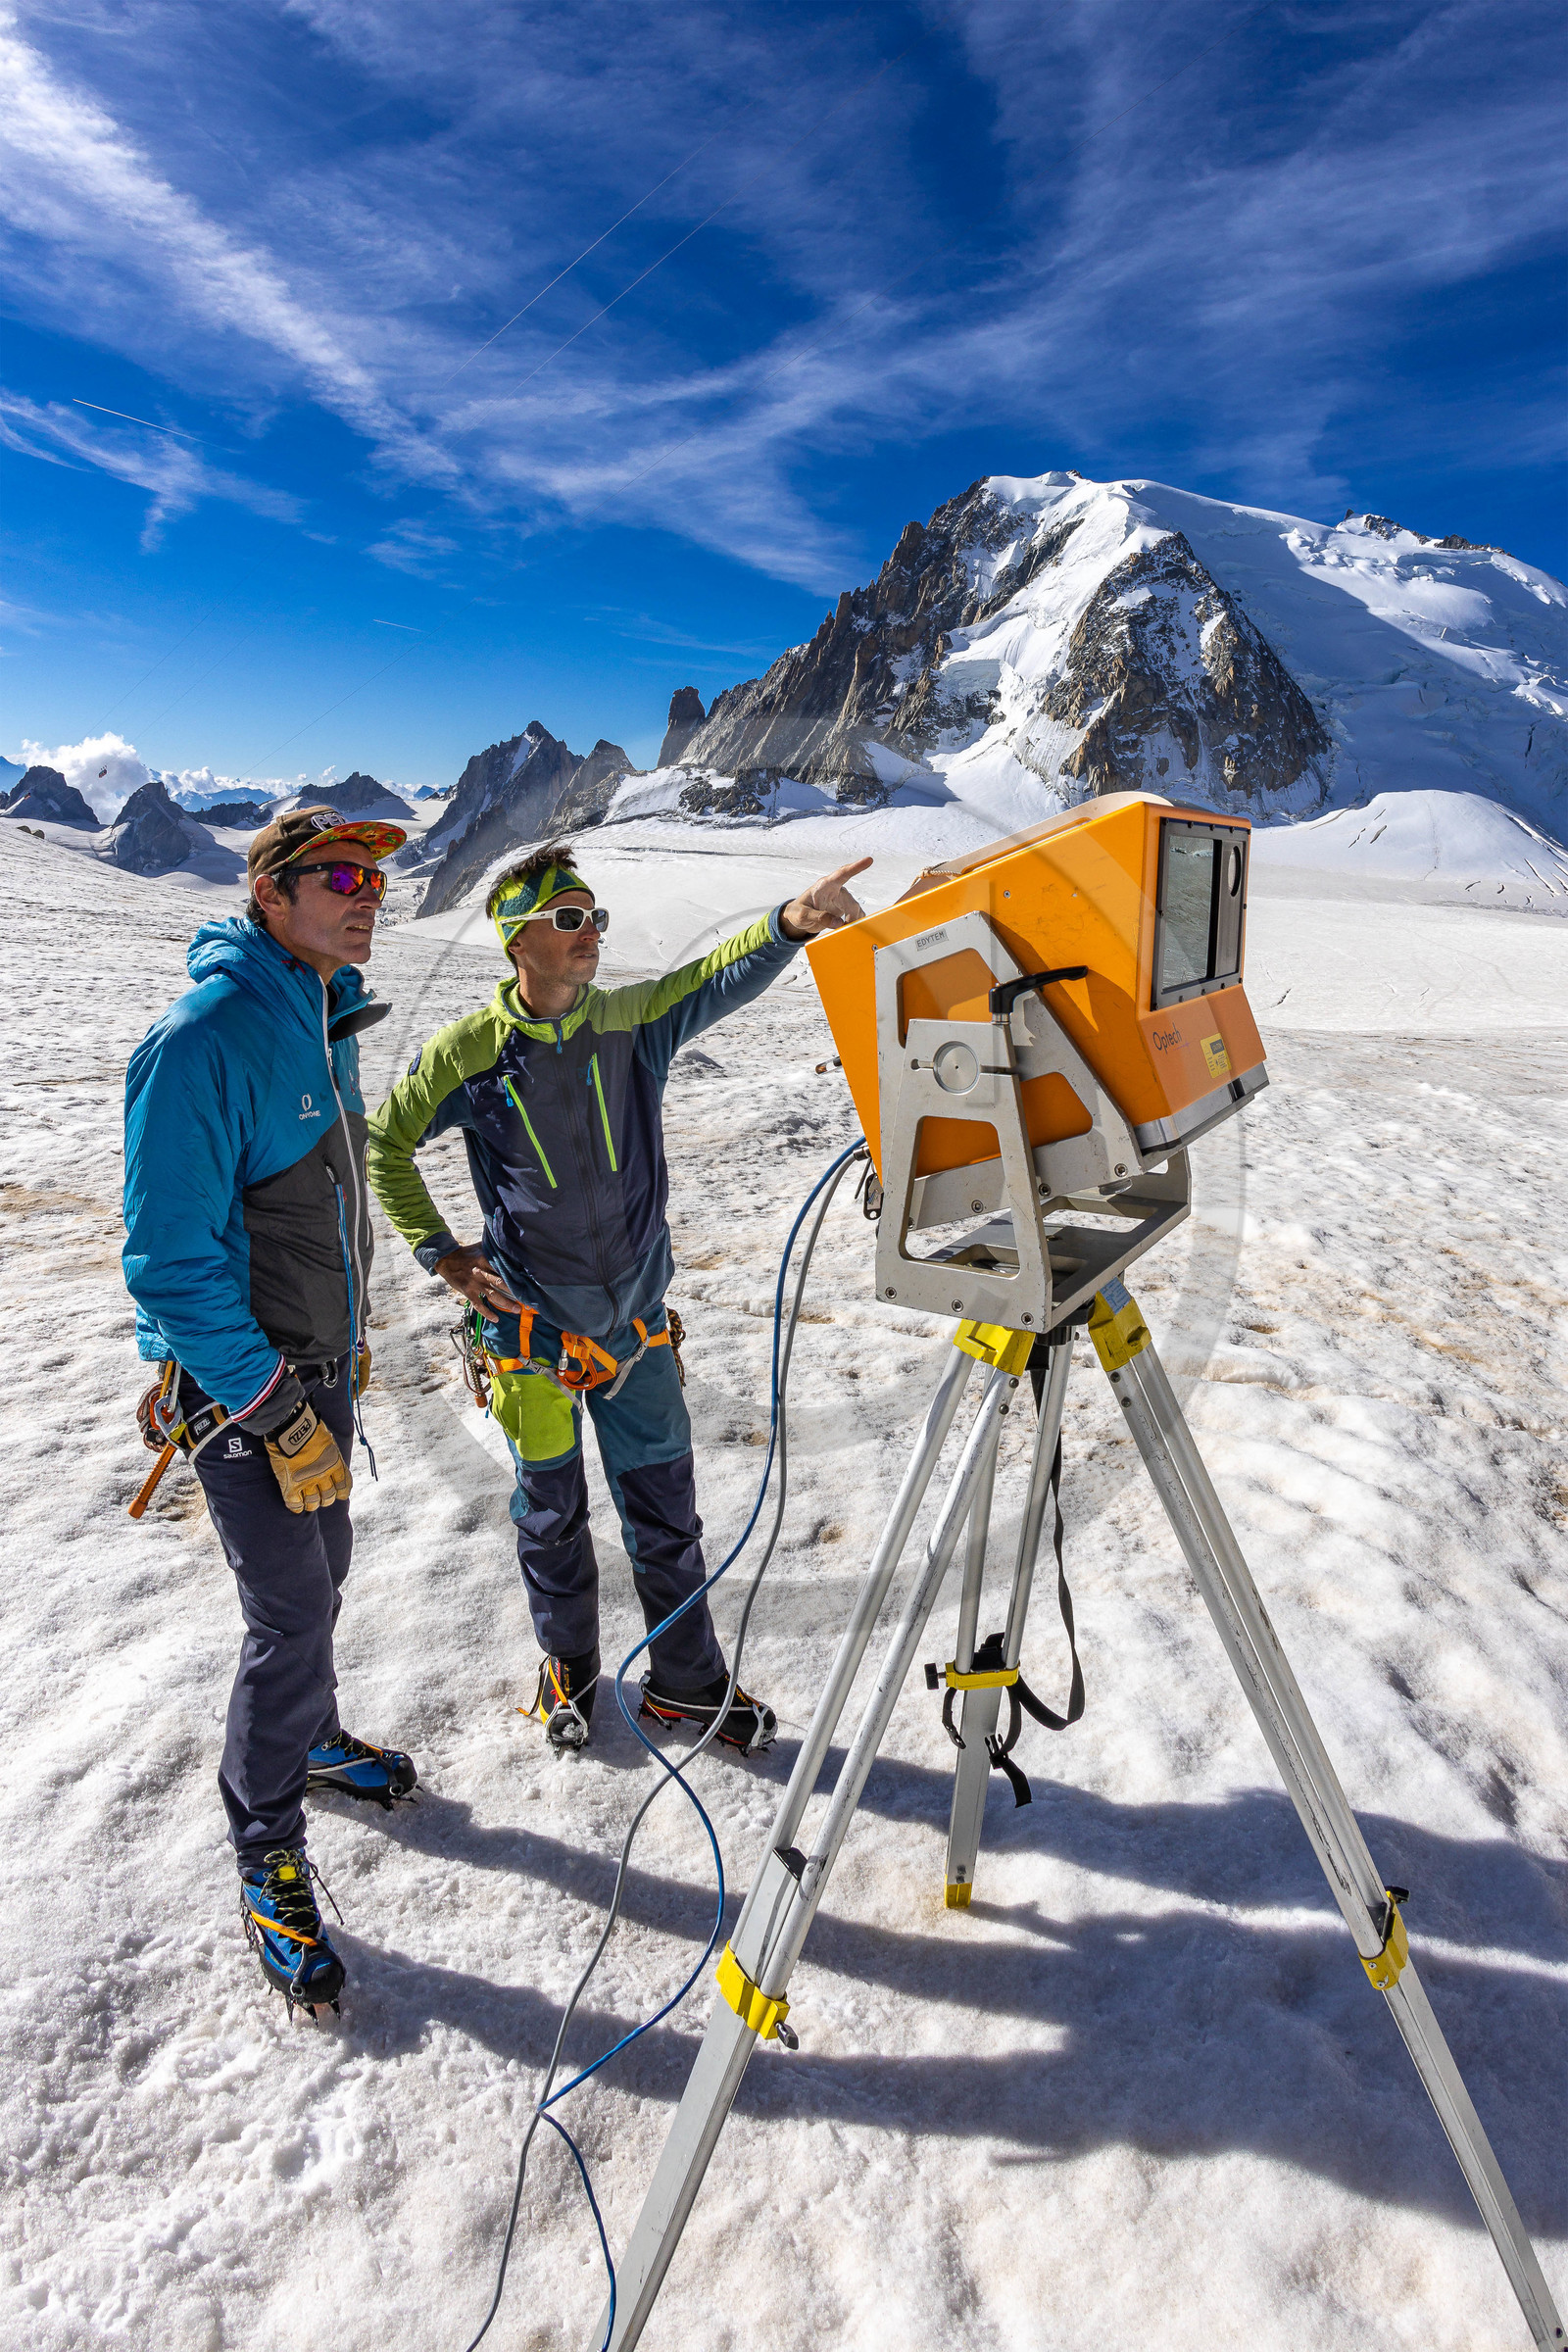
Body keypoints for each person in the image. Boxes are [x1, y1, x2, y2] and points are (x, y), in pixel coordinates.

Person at [367, 841, 869, 1752]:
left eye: (594, 916)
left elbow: (712, 980)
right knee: (552, 1518)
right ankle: (569, 1665)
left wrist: (791, 922)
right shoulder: (469, 1054)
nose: (590, 932)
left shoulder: (630, 1023)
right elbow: (386, 1146)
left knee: (667, 1519)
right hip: (531, 1340)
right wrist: (441, 1253)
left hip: (638, 1333)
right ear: (518, 942)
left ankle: (687, 1684)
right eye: (569, 919)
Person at [122, 808, 417, 2017]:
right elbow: (170, 1261)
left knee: (324, 1575)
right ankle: (266, 1852)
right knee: (289, 1612)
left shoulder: (318, 1013)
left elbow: (310, 1214)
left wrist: (343, 1353)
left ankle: (309, 1736)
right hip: (250, 1390)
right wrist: (274, 1409)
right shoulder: (203, 1039)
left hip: (316, 1369)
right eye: (338, 875)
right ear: (270, 893)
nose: (366, 894)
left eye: (376, 877)